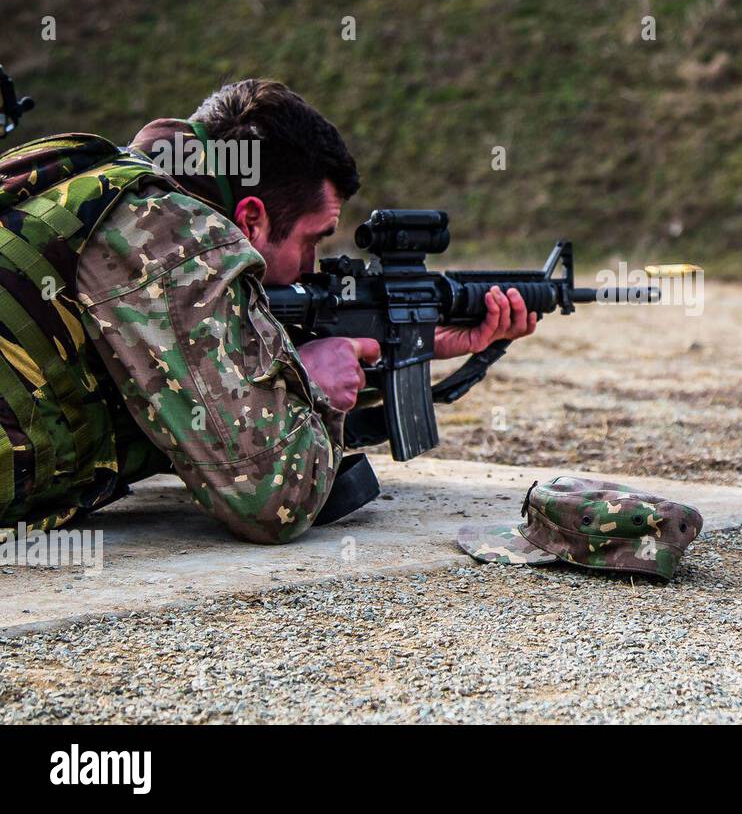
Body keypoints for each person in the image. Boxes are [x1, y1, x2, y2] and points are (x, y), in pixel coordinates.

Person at [0, 79, 537, 543]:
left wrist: (420, 346)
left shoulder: (102, 188)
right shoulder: (173, 237)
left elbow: (211, 385)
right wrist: (313, 385)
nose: (311, 266)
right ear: (252, 219)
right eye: (312, 240)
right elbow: (272, 497)